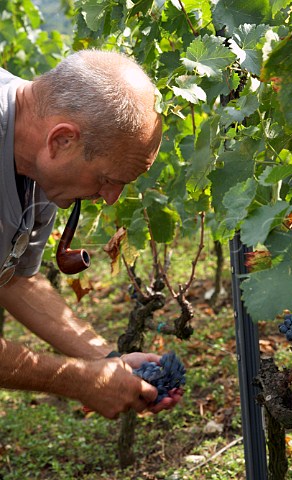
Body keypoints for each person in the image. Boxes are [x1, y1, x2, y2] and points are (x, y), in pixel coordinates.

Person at [0, 49, 182, 419]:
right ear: (62, 141)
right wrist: (79, 379)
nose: (110, 197)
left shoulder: (40, 164)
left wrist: (108, 362)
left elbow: (15, 279)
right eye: (106, 180)